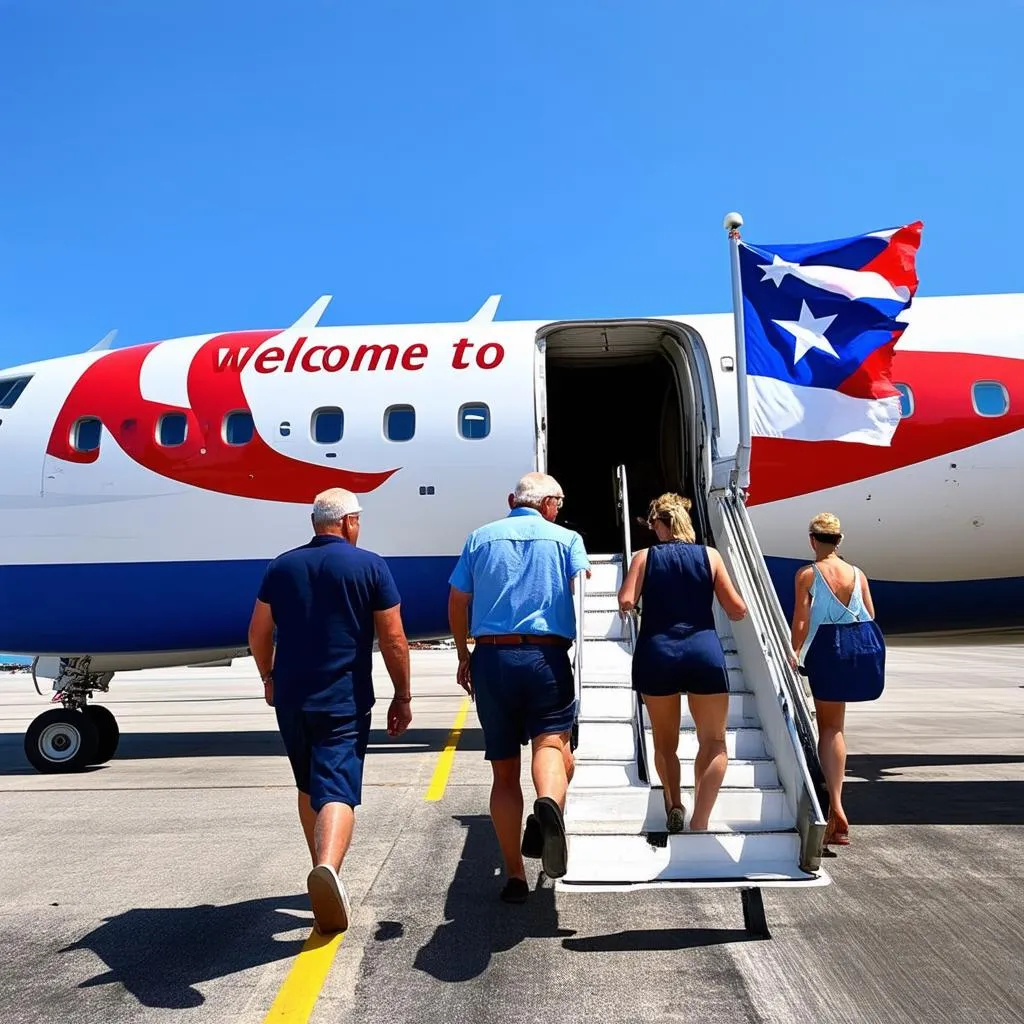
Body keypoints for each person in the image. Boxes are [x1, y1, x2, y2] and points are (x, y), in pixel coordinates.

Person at [248, 487, 412, 934]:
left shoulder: (281, 566)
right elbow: (394, 639)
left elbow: (258, 632)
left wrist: (268, 676)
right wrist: (403, 695)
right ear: (347, 522)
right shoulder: (370, 566)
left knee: (307, 786)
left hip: (292, 699)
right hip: (344, 699)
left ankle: (322, 872)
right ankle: (328, 869)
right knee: (337, 789)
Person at [448, 472, 590, 903]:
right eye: (559, 503)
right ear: (548, 504)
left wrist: (463, 655)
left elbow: (457, 601)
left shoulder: (479, 539)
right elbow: (582, 592)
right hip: (546, 658)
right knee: (551, 748)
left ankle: (514, 875)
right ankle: (547, 804)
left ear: (514, 500)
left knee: (504, 772)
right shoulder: (567, 540)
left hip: (493, 658)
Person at [617, 494, 747, 833]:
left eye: (654, 526)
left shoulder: (644, 557)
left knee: (664, 742)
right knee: (714, 742)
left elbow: (627, 600)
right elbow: (737, 609)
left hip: (658, 653)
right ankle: (701, 820)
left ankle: (674, 802)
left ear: (663, 525)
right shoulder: (711, 556)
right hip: (703, 651)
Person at [788, 512, 884, 848]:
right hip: (853, 652)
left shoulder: (807, 575)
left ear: (812, 540)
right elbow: (868, 615)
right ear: (839, 541)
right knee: (838, 728)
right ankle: (839, 803)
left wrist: (793, 651)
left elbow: (801, 621)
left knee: (825, 728)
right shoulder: (857, 574)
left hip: (826, 652)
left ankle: (836, 808)